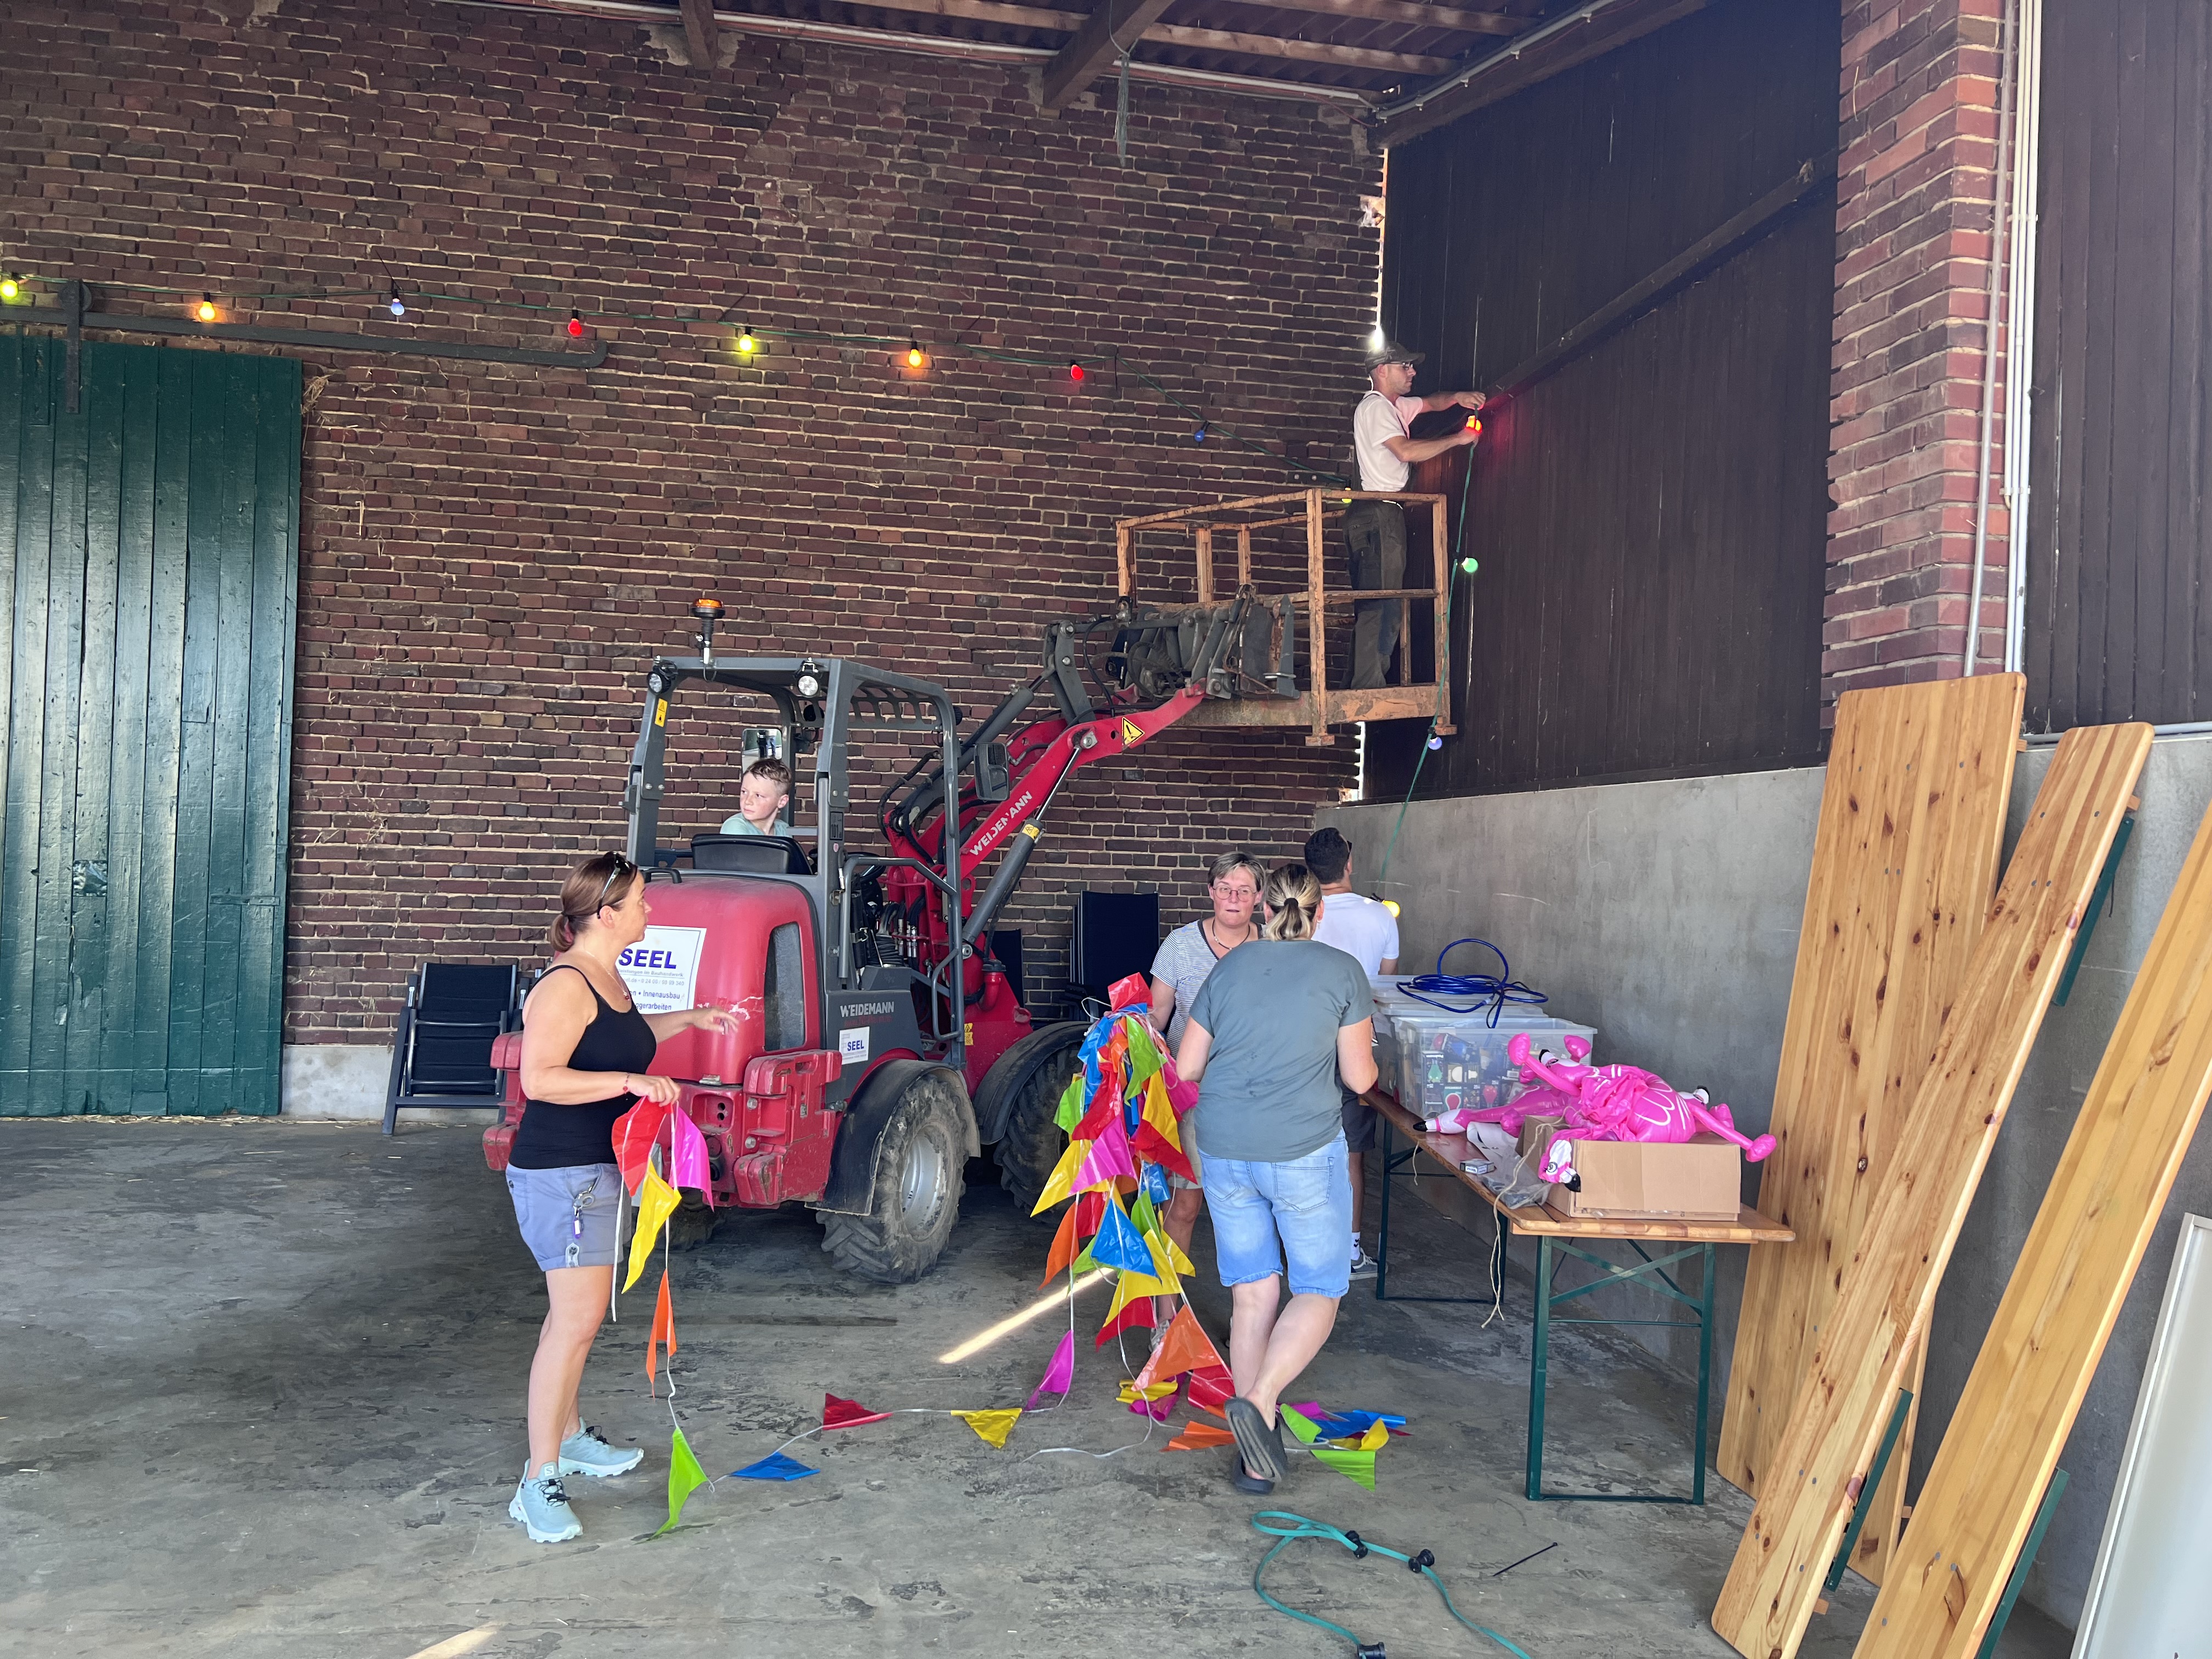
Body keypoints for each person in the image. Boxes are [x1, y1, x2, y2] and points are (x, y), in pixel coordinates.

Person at [505, 851, 740, 1544]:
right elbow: (540, 1080)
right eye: (640, 901)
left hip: (596, 1169)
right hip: (562, 1176)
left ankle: (569, 1435)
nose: (649, 910)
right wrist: (629, 1085)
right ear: (606, 915)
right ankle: (537, 1480)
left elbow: (623, 1041)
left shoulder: (609, 976)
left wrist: (692, 1018)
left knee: (574, 1320)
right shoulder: (565, 985)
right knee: (574, 1324)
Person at [1173, 862, 1378, 1494]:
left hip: (1224, 1147)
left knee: (1252, 1294)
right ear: (1320, 912)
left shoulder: (1230, 966)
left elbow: (1186, 1066)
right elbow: (1360, 1079)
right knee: (1318, 1288)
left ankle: (1253, 1457)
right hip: (1302, 1150)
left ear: (1264, 909)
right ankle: (1260, 1400)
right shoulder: (1342, 970)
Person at [1146, 850, 1267, 1317]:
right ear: (1211, 891)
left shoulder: (1272, 946)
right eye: (1225, 889)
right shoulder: (1180, 945)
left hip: (1256, 1098)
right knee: (1185, 1206)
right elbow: (1158, 1016)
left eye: (1244, 890)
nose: (1233, 898)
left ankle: (1250, 1322)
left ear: (1259, 898)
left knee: (1252, 1212)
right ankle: (1166, 1317)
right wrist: (1122, 1038)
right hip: (1193, 1095)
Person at [1348, 341, 1486, 689]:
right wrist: (1459, 439)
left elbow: (1432, 402)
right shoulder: (1376, 408)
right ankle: (1367, 686)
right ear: (1382, 371)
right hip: (1378, 512)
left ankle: (1367, 680)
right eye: (1404, 366)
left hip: (1384, 513)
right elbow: (1405, 451)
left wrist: (1458, 397)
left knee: (1386, 601)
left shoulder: (1395, 407)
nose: (1412, 372)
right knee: (1379, 602)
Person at [1304, 826, 1399, 1279]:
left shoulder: (1300, 917)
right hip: (1359, 1047)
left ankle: (1299, 1245)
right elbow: (1385, 985)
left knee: (1297, 1147)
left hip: (1305, 1046)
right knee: (1351, 1153)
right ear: (1349, 864)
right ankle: (1349, 1251)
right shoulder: (1381, 916)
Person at [719, 758, 793, 836]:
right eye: (744, 792)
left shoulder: (783, 829)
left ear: (782, 802)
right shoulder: (734, 826)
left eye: (758, 795)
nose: (748, 801)